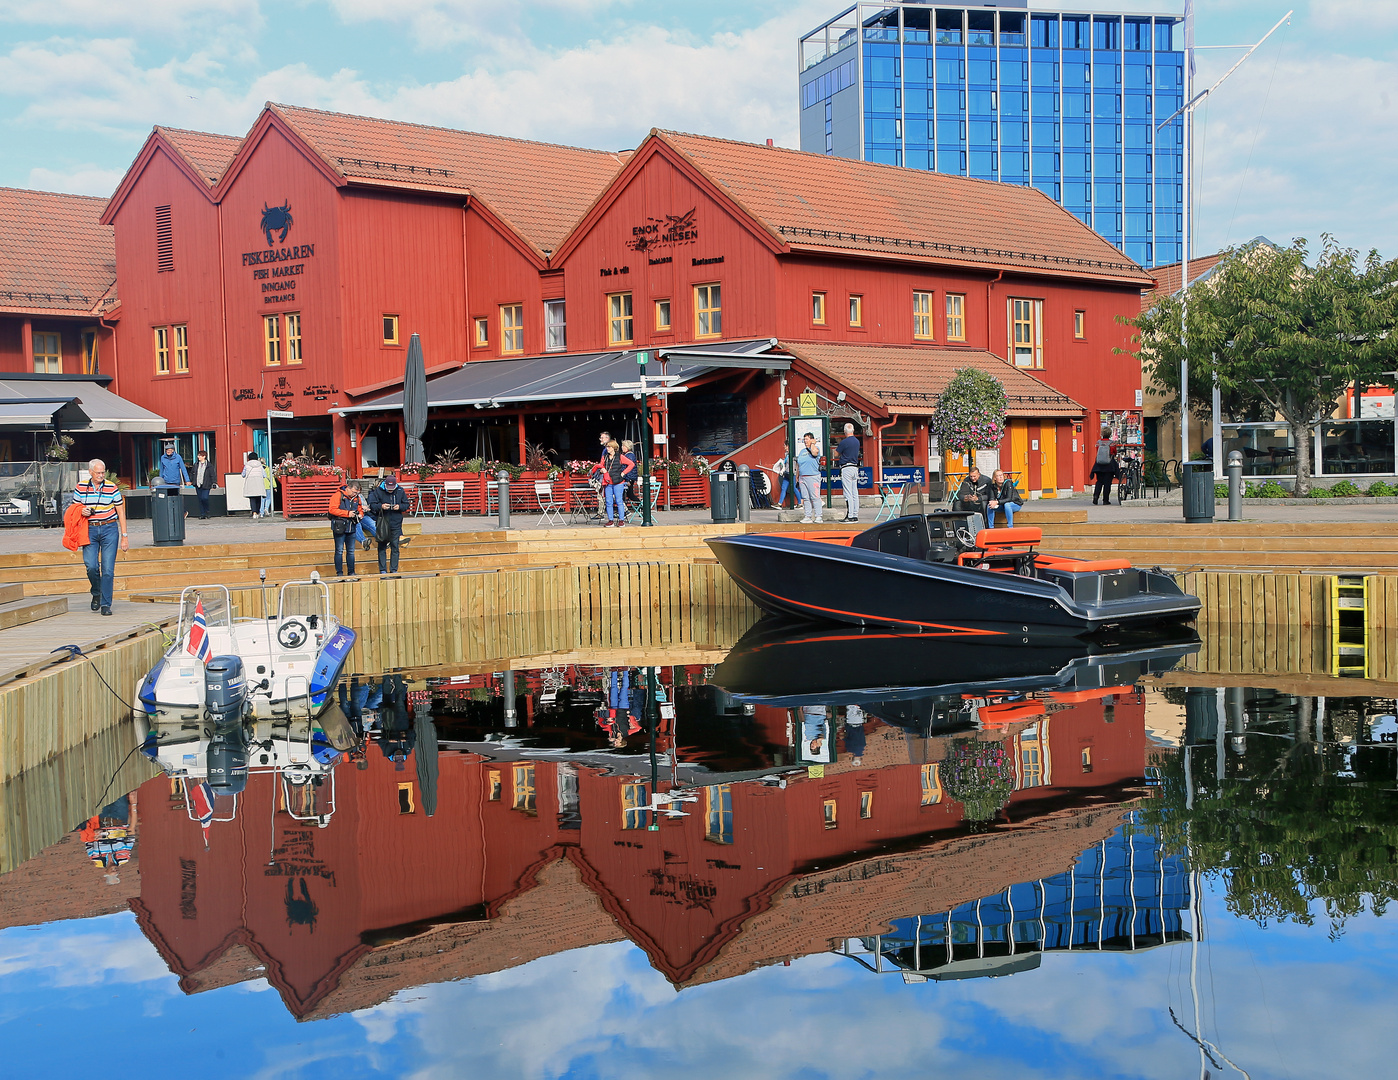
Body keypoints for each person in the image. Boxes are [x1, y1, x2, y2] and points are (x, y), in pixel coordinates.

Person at [73, 458, 128, 615]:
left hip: (109, 528)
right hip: (89, 528)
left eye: (103, 472)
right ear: (91, 472)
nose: (101, 475)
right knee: (91, 565)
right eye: (98, 472)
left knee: (108, 570)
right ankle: (96, 591)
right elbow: (74, 509)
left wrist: (124, 536)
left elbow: (121, 511)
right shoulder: (81, 486)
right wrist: (81, 511)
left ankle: (106, 604)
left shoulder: (111, 487)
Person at [367, 474, 412, 574]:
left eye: (392, 488)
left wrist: (399, 507)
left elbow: (406, 504)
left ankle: (394, 570)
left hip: (396, 523)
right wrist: (381, 506)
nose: (390, 490)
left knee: (395, 547)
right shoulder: (378, 491)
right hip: (383, 522)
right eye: (388, 487)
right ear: (385, 484)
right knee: (382, 547)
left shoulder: (400, 490)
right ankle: (383, 570)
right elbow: (372, 505)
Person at [590, 439, 634, 527]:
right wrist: (601, 470)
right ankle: (610, 520)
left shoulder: (620, 457)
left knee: (619, 501)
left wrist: (623, 473)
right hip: (608, 482)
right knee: (609, 501)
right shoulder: (605, 457)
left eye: (609, 447)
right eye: (607, 447)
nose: (607, 448)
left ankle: (621, 520)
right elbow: (601, 465)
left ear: (614, 447)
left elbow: (631, 464)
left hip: (618, 481)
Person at [328, 479, 362, 576]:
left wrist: (360, 515)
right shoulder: (338, 495)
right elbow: (332, 510)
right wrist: (347, 514)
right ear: (349, 488)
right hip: (340, 527)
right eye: (354, 492)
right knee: (339, 551)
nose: (355, 494)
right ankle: (339, 573)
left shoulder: (357, 498)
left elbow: (359, 509)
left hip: (352, 527)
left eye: (357, 493)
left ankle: (351, 573)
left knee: (351, 551)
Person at [836, 422, 862, 522]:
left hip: (846, 467)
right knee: (854, 492)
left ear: (844, 431)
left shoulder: (844, 442)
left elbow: (836, 453)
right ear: (853, 431)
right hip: (855, 467)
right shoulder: (857, 441)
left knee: (848, 493)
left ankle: (850, 515)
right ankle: (855, 514)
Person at [796, 431, 824, 523]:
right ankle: (807, 516)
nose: (805, 441)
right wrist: (797, 476)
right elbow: (798, 464)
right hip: (802, 477)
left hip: (813, 476)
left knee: (815, 497)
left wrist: (812, 443)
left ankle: (818, 516)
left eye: (807, 439)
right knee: (805, 497)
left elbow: (815, 453)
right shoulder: (802, 451)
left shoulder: (816, 448)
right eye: (804, 439)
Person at [242, 453, 271, 520]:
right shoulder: (260, 465)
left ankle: (254, 512)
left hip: (250, 483)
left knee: (252, 498)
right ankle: (257, 512)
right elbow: (264, 475)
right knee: (258, 498)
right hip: (259, 482)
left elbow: (243, 474)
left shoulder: (247, 465)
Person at [193, 449, 215, 518]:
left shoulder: (209, 465)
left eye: (199, 455)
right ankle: (202, 514)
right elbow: (192, 473)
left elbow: (212, 474)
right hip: (198, 484)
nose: (198, 457)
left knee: (204, 498)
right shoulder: (196, 464)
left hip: (206, 484)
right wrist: (191, 480)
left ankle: (207, 511)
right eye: (198, 455)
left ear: (204, 456)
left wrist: (214, 482)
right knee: (200, 499)